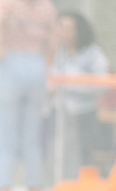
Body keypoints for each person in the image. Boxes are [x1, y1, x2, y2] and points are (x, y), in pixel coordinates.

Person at [0, 0, 57, 191]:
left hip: (10, 63)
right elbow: (53, 39)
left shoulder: (8, 3)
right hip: (36, 65)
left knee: (6, 143)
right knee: (31, 142)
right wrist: (47, 65)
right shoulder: (46, 6)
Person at [52, 11, 109, 179]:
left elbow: (103, 83)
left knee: (85, 153)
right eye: (60, 27)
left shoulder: (93, 54)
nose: (62, 31)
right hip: (62, 112)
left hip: (85, 112)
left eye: (67, 28)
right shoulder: (58, 52)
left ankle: (85, 189)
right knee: (60, 153)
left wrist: (75, 82)